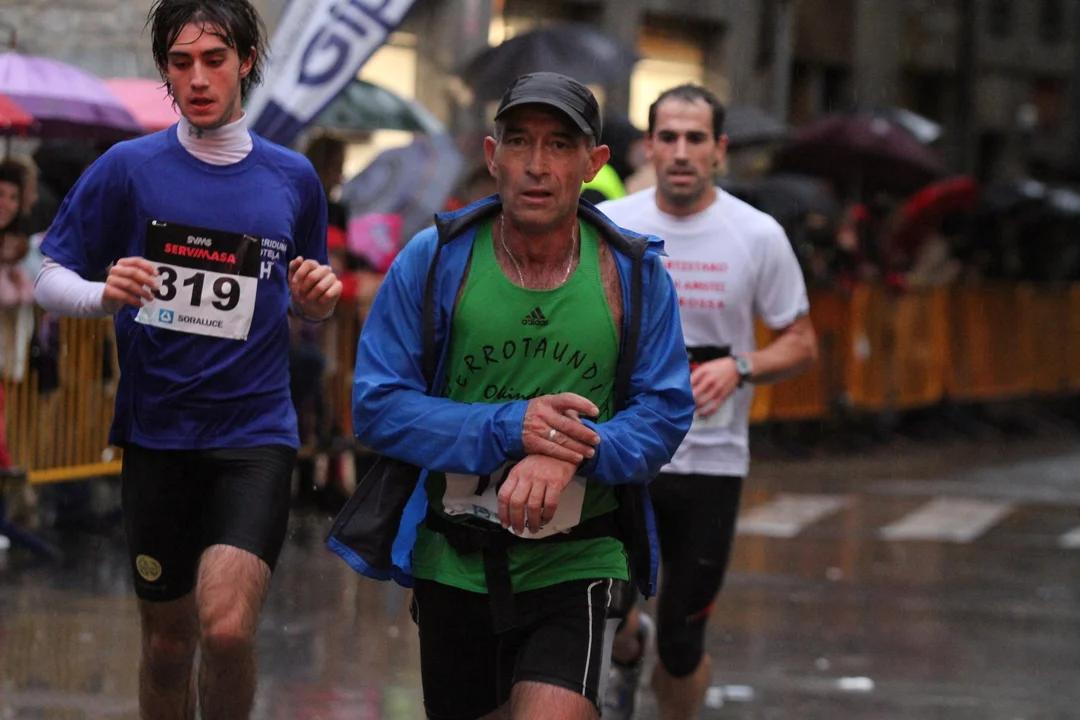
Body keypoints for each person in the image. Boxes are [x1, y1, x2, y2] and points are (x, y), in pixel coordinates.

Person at [340, 72, 695, 720]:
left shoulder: (633, 274)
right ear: (492, 155)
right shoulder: (435, 260)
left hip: (578, 555)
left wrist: (572, 451)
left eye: (559, 145)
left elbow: (665, 410)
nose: (537, 165)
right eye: (520, 141)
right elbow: (378, 405)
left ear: (592, 163)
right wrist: (512, 428)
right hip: (454, 558)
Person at [32, 1, 341, 718]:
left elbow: (309, 296)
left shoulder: (293, 178)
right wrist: (103, 295)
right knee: (169, 645)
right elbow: (49, 277)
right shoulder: (128, 168)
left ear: (246, 62)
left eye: (214, 59)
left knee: (226, 629)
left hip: (254, 435)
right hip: (158, 434)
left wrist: (317, 302)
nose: (198, 78)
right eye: (180, 62)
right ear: (165, 70)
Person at [597, 84, 818, 720]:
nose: (681, 152)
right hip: (623, 454)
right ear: (648, 147)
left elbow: (801, 342)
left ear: (719, 150)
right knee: (608, 614)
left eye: (696, 138)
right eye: (668, 137)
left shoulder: (757, 234)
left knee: (683, 643)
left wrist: (739, 366)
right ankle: (627, 653)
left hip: (711, 461)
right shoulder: (613, 226)